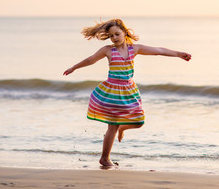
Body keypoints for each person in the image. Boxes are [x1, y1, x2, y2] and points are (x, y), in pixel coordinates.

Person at [63, 18, 191, 167]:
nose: (114, 38)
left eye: (117, 34)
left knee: (139, 121)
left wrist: (179, 54)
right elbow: (91, 60)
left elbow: (159, 51)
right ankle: (105, 158)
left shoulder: (134, 49)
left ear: (125, 32)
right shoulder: (108, 50)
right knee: (112, 126)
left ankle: (123, 127)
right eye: (111, 36)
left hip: (128, 91)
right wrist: (74, 67)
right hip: (112, 91)